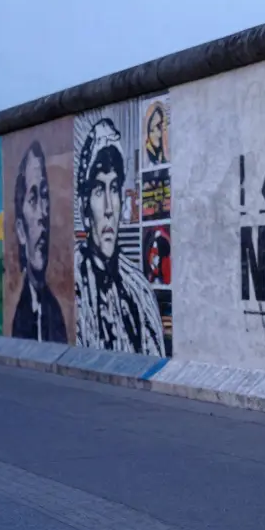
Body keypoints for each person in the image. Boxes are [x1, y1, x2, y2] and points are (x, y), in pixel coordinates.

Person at [75, 118, 165, 356]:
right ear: (84, 207)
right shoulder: (73, 285)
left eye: (113, 189)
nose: (108, 208)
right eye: (98, 190)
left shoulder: (138, 289)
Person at [11, 141, 68, 343]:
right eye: (33, 199)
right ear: (20, 230)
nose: (43, 213)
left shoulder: (55, 312)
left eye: (45, 196)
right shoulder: (19, 317)